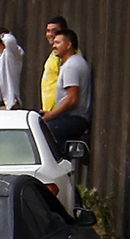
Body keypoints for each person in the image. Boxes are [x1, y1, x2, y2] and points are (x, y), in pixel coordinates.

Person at [41, 23, 93, 153]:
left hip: (75, 118)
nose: (54, 46)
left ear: (68, 45)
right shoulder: (72, 63)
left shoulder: (71, 66)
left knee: (44, 132)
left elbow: (72, 99)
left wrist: (52, 114)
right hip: (70, 117)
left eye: (58, 43)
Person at [39, 14, 67, 116]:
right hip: (49, 111)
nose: (50, 34)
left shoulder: (65, 54)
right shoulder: (54, 54)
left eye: (54, 31)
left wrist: (56, 112)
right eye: (48, 31)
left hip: (58, 112)